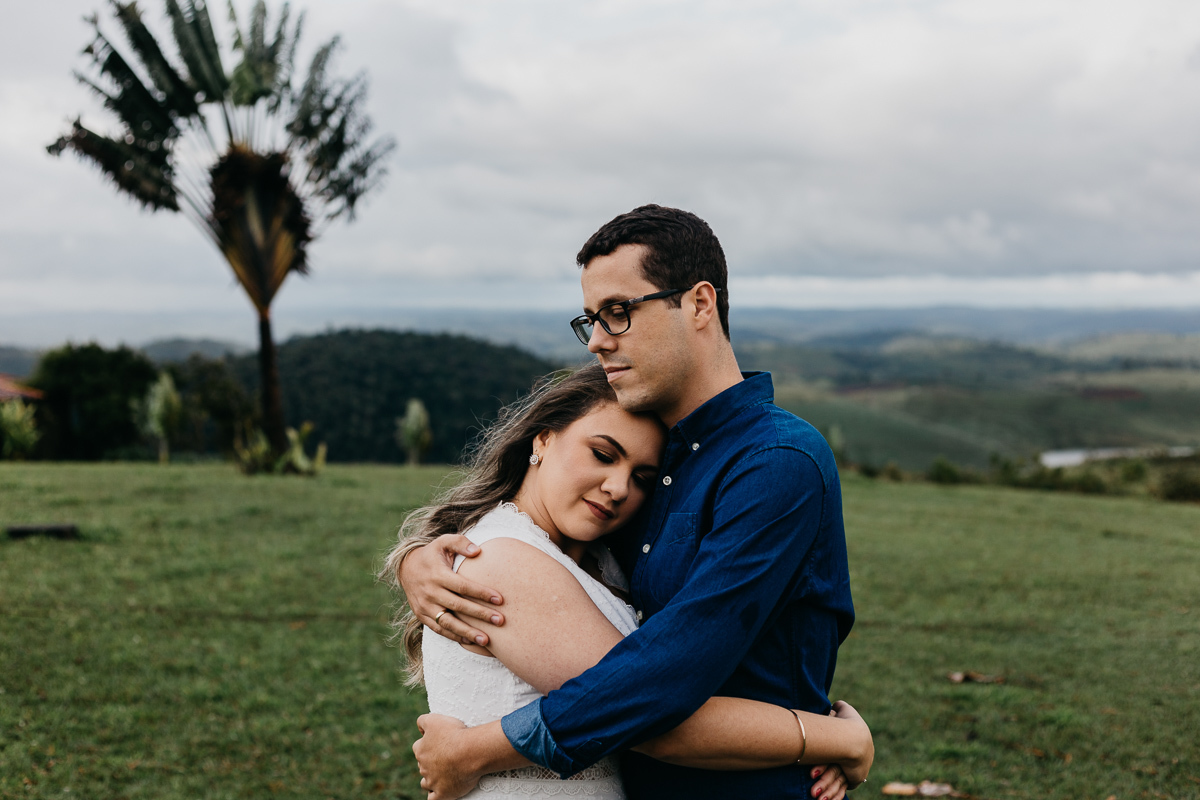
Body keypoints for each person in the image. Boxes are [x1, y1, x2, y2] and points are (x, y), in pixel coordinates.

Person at [398, 205, 861, 800]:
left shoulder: (775, 463)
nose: (596, 341)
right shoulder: (662, 462)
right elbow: (554, 562)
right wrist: (417, 560)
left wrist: (482, 747)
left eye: (618, 314)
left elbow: (661, 680)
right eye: (590, 319)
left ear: (699, 304)